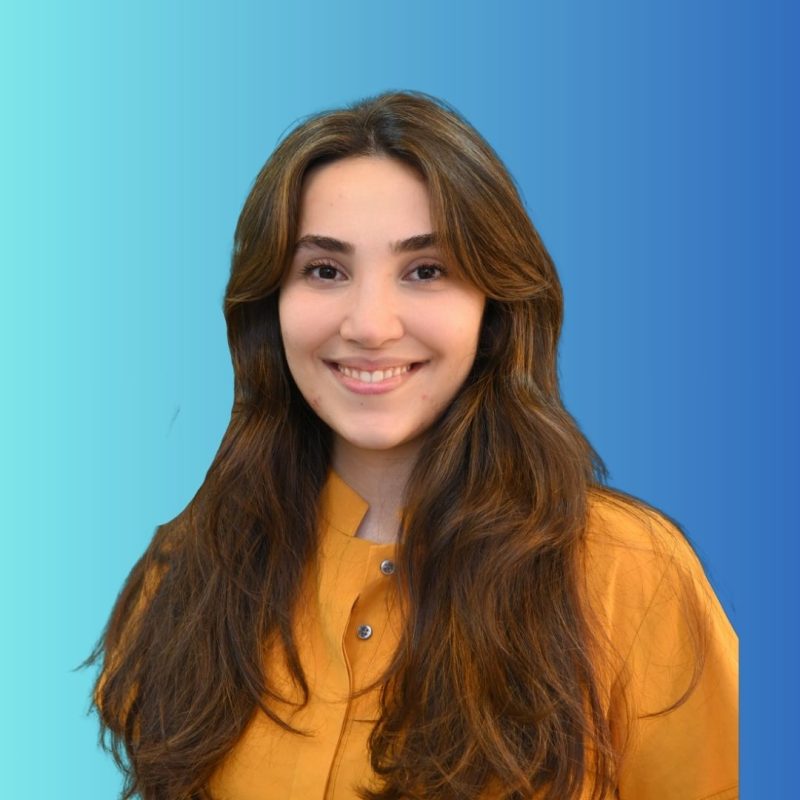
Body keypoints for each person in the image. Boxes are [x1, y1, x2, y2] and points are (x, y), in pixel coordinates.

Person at [89, 91, 738, 800]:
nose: (370, 326)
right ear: (269, 305)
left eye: (426, 270)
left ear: (494, 305)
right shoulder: (184, 573)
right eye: (325, 270)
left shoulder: (631, 575)